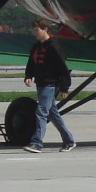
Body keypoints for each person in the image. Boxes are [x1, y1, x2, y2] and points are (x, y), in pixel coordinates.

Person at [22, 19, 77, 153]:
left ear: (45, 29)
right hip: (40, 83)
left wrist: (65, 87)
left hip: (50, 84)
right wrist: (28, 75)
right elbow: (31, 63)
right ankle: (69, 141)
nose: (34, 33)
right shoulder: (36, 47)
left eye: (37, 30)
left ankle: (37, 143)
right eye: (34, 30)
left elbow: (63, 69)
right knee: (53, 115)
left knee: (41, 112)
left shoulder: (54, 47)